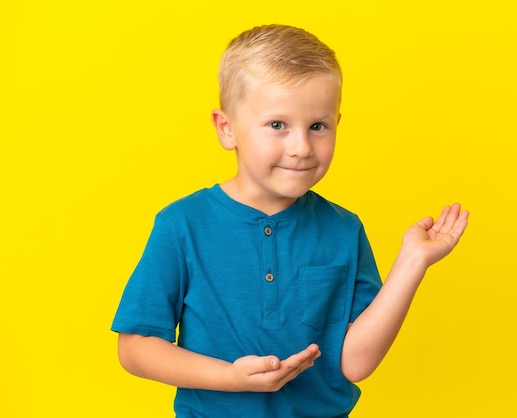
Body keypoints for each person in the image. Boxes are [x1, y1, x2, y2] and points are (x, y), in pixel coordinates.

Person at [111, 24, 469, 417]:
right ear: (226, 128)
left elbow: (355, 363)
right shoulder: (182, 225)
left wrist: (411, 262)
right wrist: (231, 377)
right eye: (277, 125)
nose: (301, 148)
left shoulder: (345, 230)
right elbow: (135, 347)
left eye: (318, 126)